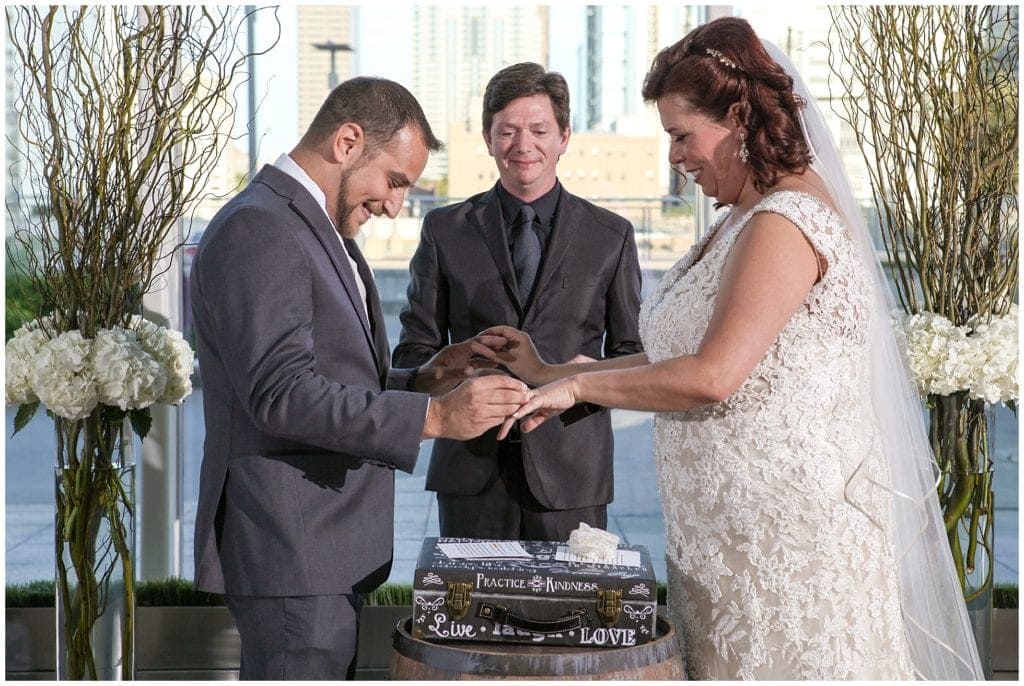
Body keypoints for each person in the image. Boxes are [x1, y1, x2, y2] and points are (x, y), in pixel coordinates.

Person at [484, 17, 983, 681]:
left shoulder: (784, 223)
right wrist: (552, 372)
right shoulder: (739, 220)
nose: (674, 157)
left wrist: (577, 388)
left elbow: (712, 374)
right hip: (727, 541)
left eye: (681, 135)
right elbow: (678, 352)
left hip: (788, 546)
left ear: (740, 118)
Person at [189, 76, 529, 681]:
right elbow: (281, 394)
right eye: (395, 181)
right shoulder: (261, 227)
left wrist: (431, 377)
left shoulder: (311, 225)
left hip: (319, 554)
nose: (396, 205)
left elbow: (332, 376)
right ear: (347, 141)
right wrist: (435, 420)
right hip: (292, 554)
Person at [392, 62, 643, 541]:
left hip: (572, 472)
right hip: (470, 469)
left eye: (539, 130)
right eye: (507, 131)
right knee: (472, 613)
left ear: (564, 137)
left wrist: (579, 378)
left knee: (571, 611)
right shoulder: (445, 230)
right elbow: (412, 355)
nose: (523, 145)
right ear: (488, 139)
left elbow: (633, 358)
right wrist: (456, 370)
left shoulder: (610, 235)